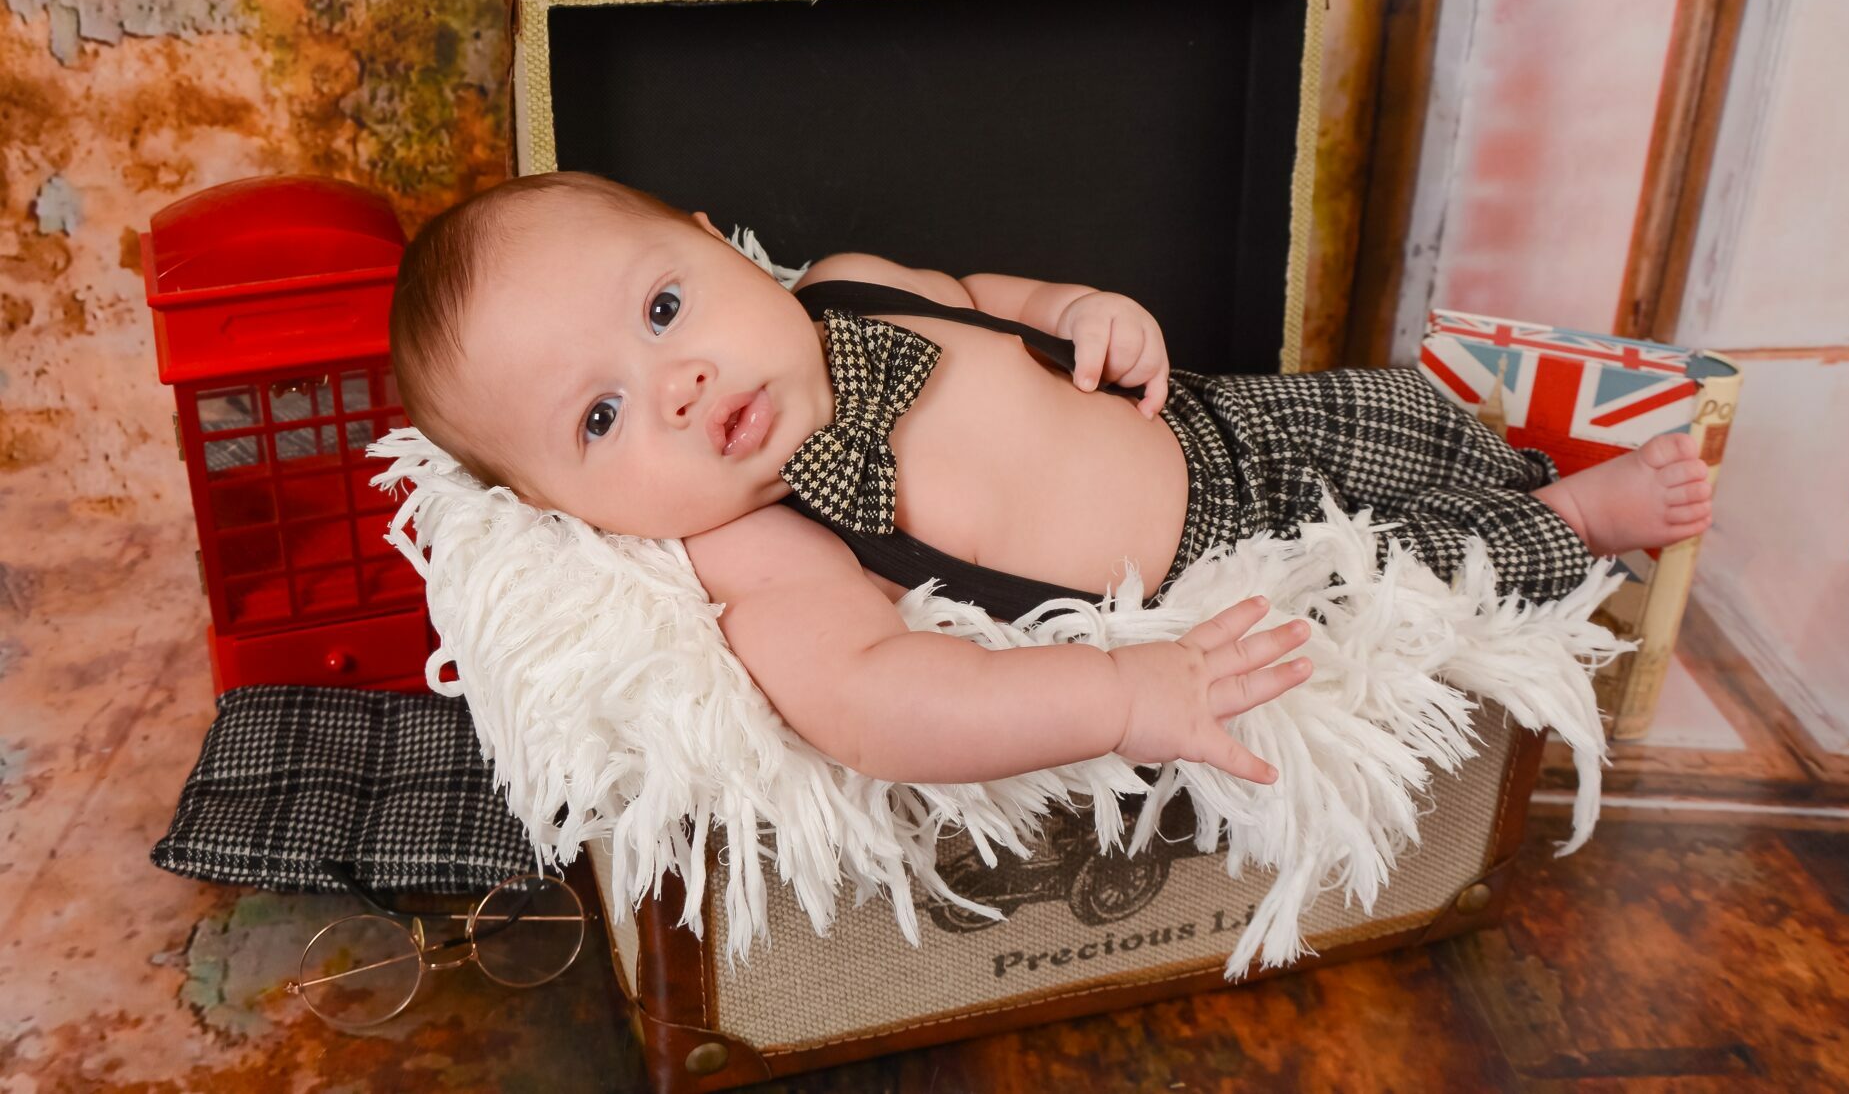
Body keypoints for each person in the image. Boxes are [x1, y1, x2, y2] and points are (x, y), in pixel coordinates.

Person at [389, 172, 1713, 789]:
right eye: (602, 415)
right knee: (1419, 586)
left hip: (1217, 423)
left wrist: (1076, 310)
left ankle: (1517, 464)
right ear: (565, 513)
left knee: (1394, 411)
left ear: (717, 247)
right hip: (1222, 574)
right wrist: (1124, 692)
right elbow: (875, 703)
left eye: (665, 306)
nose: (675, 383)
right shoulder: (766, 541)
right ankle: (1571, 519)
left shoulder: (849, 286)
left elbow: (981, 296)